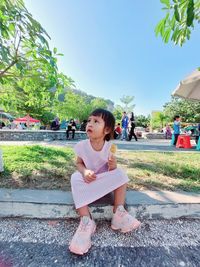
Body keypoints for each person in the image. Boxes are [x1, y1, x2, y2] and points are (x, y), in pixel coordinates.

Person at [69, 108, 141, 255]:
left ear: (106, 129)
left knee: (120, 173)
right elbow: (79, 163)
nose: (90, 124)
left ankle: (118, 213)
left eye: (96, 121)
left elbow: (112, 171)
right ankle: (86, 220)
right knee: (74, 177)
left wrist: (113, 165)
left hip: (103, 183)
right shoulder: (82, 146)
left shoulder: (110, 147)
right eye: (89, 120)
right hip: (88, 181)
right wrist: (84, 172)